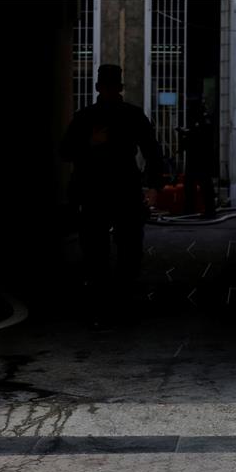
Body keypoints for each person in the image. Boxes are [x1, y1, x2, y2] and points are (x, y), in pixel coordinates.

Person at [60, 64, 163, 327]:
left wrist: (153, 186)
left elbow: (152, 150)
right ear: (100, 88)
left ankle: (118, 297)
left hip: (120, 188)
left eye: (110, 86)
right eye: (105, 86)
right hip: (95, 189)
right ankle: (105, 298)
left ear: (116, 88)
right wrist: (90, 144)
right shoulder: (88, 118)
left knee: (127, 248)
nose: (107, 91)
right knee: (97, 249)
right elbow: (65, 151)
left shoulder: (128, 116)